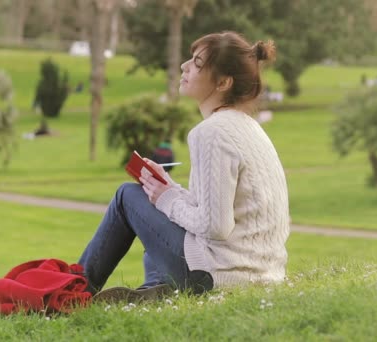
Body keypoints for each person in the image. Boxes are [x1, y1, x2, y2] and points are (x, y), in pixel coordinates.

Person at [78, 31, 290, 302]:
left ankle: (74, 292)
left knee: (127, 197)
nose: (184, 66)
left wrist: (166, 200)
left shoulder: (212, 132)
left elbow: (215, 226)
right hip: (262, 274)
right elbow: (213, 210)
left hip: (218, 276)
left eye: (197, 63)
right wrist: (169, 190)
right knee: (158, 209)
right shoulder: (249, 127)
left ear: (223, 82)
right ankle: (154, 290)